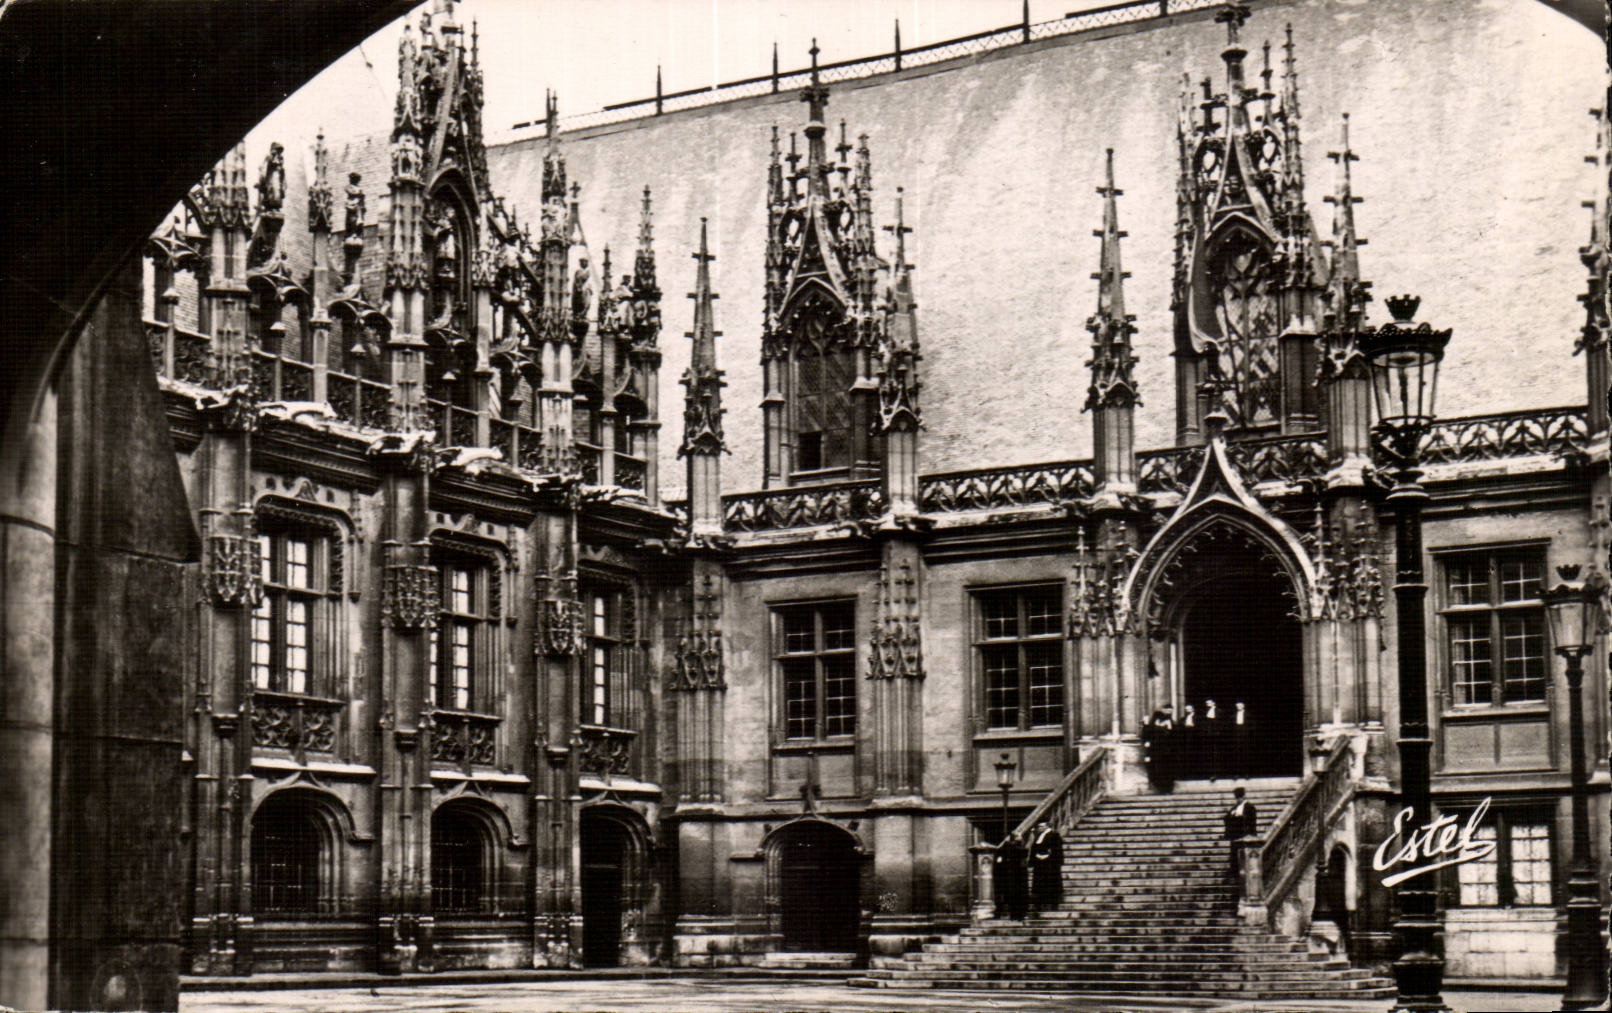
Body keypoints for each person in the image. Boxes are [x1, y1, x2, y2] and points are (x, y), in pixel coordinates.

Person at [1027, 820, 1063, 913]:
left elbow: (1057, 849)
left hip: (1050, 865)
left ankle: (1053, 904)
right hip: (1039, 864)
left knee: (1051, 884)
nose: (1040, 828)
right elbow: (1034, 848)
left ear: (1047, 826)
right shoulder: (1038, 836)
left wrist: (1048, 856)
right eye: (1039, 826)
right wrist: (1035, 856)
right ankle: (1038, 905)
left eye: (1042, 826)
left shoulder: (1054, 835)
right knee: (1039, 885)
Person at [1222, 786, 1258, 879]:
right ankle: (1235, 875)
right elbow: (1226, 818)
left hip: (1245, 835)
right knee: (1235, 857)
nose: (1238, 800)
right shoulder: (1234, 808)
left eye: (1239, 798)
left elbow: (1252, 822)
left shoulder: (1250, 807)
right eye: (1237, 798)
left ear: (1243, 797)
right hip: (1235, 836)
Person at [993, 833, 1028, 920]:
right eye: (1019, 836)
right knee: (1015, 896)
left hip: (1016, 875)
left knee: (1016, 896)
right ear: (1014, 838)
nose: (1021, 838)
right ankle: (1016, 914)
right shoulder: (1011, 847)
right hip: (1013, 876)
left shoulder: (1011, 847)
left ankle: (1016, 914)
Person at [1142, 708, 1175, 793]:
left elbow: (1171, 736)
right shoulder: (1151, 727)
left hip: (1164, 752)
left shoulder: (1165, 726)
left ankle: (1166, 788)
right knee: (1157, 770)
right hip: (1155, 752)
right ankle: (1161, 788)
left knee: (1164, 770)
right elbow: (1146, 737)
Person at [1202, 698, 1221, 780]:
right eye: (1206, 703)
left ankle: (1216, 773)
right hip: (1207, 736)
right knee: (1208, 755)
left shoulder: (1219, 711)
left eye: (1209, 703)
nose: (1207, 704)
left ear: (1213, 703)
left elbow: (1221, 724)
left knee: (1216, 754)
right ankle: (1209, 773)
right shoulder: (1205, 712)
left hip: (1216, 737)